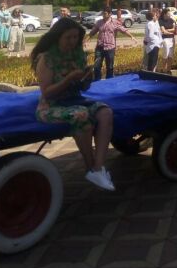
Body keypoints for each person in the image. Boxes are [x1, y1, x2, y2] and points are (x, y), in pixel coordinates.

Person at [31, 17, 115, 191]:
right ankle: (90, 166)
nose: (72, 41)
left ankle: (98, 168)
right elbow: (47, 92)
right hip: (51, 105)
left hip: (75, 100)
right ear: (58, 37)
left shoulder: (77, 56)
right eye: (68, 37)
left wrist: (86, 79)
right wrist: (68, 79)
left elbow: (83, 88)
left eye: (75, 37)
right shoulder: (46, 58)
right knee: (81, 115)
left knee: (105, 112)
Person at [85, 7, 136, 81]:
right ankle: (97, 82)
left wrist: (131, 36)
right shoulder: (99, 22)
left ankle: (109, 82)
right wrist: (86, 41)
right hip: (100, 47)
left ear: (110, 14)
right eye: (103, 13)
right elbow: (92, 32)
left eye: (105, 13)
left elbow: (123, 30)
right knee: (97, 66)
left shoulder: (114, 22)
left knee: (110, 67)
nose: (103, 15)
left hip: (110, 48)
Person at [158, 8, 177, 74]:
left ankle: (169, 69)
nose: (170, 14)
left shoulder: (171, 20)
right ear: (164, 14)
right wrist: (170, 31)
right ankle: (164, 70)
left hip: (172, 39)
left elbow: (174, 29)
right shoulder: (160, 20)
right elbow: (163, 31)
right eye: (168, 13)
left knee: (171, 55)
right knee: (165, 55)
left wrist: (168, 30)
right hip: (165, 39)